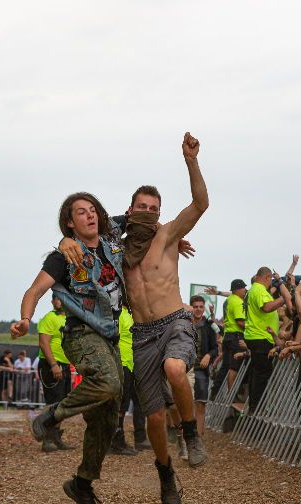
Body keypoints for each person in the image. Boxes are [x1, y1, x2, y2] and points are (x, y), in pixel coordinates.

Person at [14, 191, 180, 504]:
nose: (90, 216)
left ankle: (82, 483)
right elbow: (34, 291)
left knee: (107, 417)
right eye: (81, 213)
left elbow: (142, 217)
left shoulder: (111, 235)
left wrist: (173, 238)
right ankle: (51, 417)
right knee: (108, 382)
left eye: (92, 211)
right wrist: (25, 319)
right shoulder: (62, 257)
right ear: (69, 222)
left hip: (110, 337)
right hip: (81, 334)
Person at [61, 133, 211, 469]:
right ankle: (165, 472)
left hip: (174, 322)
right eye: (141, 207)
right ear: (129, 211)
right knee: (154, 418)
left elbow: (200, 204)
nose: (147, 212)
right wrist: (63, 240)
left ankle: (191, 434)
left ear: (161, 213)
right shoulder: (116, 250)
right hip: (142, 334)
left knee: (175, 368)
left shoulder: (168, 235)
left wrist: (191, 161)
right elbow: (87, 233)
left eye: (153, 209)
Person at [243, 266, 288, 412]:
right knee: (262, 373)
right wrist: (283, 299)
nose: (271, 284)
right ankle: (257, 408)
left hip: (256, 335)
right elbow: (267, 307)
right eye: (271, 280)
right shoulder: (259, 290)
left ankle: (254, 407)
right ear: (267, 277)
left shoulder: (253, 290)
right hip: (260, 336)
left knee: (257, 372)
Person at [110, 306, 149, 455]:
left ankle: (140, 438)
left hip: (134, 365)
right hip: (122, 364)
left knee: (139, 401)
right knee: (121, 405)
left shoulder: (134, 314)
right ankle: (116, 441)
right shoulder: (118, 314)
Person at [37, 297, 73, 452]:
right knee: (53, 403)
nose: (57, 302)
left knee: (62, 403)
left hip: (64, 365)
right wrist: (53, 365)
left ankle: (56, 436)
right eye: (56, 299)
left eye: (61, 299)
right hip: (50, 364)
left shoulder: (69, 319)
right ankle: (47, 439)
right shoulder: (49, 318)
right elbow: (44, 343)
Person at [189, 294, 219, 435]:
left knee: (200, 403)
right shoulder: (184, 324)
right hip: (185, 369)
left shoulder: (208, 326)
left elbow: (215, 347)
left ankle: (199, 436)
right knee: (184, 403)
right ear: (191, 308)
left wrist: (208, 355)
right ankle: (185, 436)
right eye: (196, 307)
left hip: (201, 369)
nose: (198, 309)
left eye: (201, 307)